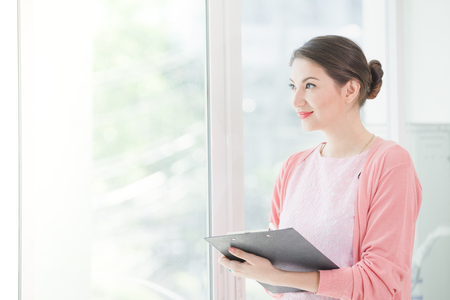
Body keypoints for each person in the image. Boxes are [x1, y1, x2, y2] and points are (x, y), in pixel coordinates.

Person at [218, 35, 422, 300]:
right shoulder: (294, 167)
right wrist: (261, 269)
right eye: (293, 86)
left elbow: (379, 283)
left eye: (310, 85)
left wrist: (278, 277)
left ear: (350, 90)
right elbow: (279, 280)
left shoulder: (391, 164)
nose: (296, 100)